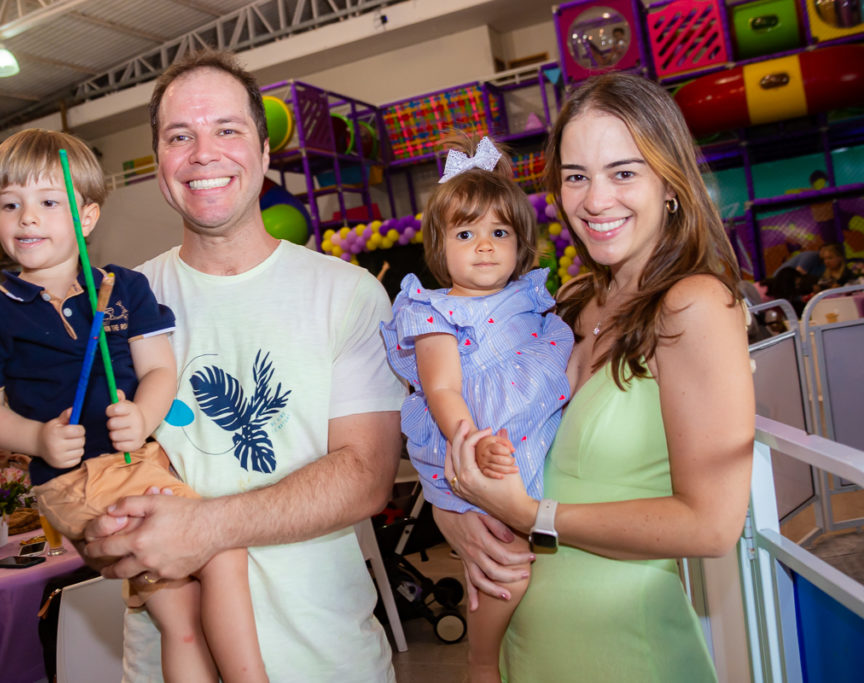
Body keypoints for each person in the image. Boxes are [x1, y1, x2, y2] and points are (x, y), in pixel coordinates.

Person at [82, 49, 406, 682]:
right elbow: (92, 473)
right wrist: (95, 530)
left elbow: (368, 475)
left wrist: (205, 526)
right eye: (181, 136)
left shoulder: (347, 293)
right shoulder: (114, 307)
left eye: (227, 130)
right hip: (169, 662)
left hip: (327, 658)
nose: (205, 153)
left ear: (264, 151)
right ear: (159, 166)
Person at [437, 72, 755, 681]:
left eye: (624, 172)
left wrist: (535, 516)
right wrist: (460, 514)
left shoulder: (693, 305)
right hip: (524, 649)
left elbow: (712, 524)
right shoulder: (570, 305)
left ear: (670, 183)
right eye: (576, 176)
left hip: (625, 655)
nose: (595, 199)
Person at [0, 128, 267, 683]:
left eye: (49, 203)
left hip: (137, 463)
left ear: (87, 217)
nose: (28, 219)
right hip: (73, 481)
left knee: (193, 595)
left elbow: (160, 370)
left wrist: (144, 414)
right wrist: (36, 439)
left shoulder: (125, 289)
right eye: (10, 205)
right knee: (198, 587)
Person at [379, 134, 573, 682]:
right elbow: (441, 389)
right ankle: (481, 659)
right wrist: (471, 440)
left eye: (499, 232)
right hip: (474, 446)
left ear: (520, 242)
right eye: (466, 233)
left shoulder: (531, 300)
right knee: (502, 560)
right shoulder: (433, 308)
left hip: (528, 436)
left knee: (527, 560)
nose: (484, 245)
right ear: (441, 247)